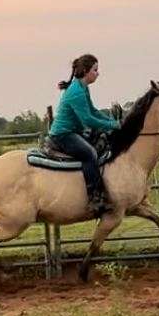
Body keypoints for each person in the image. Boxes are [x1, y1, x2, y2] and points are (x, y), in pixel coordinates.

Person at [49, 54, 119, 215]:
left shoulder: (82, 87)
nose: (98, 73)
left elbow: (93, 111)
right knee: (90, 154)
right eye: (95, 70)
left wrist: (110, 121)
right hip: (62, 135)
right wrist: (112, 125)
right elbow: (87, 119)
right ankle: (95, 199)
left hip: (72, 132)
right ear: (86, 71)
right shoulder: (76, 91)